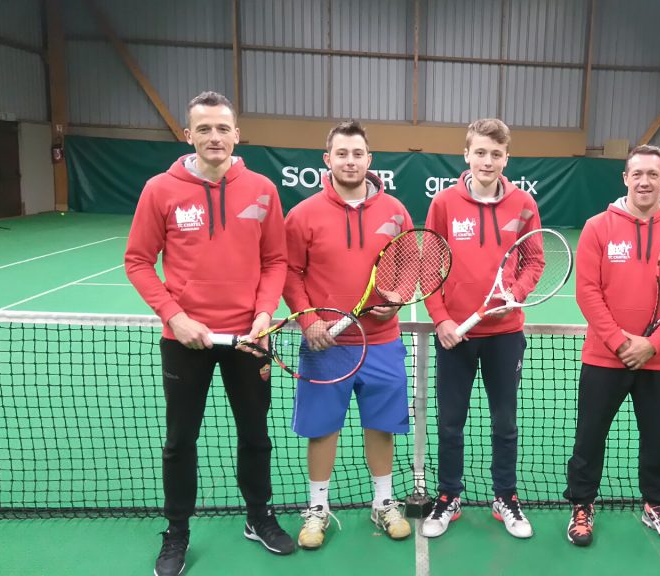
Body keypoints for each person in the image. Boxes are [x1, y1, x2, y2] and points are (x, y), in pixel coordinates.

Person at [124, 91, 294, 576]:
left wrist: (265, 312)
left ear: (237, 135)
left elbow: (275, 260)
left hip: (249, 338)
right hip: (185, 341)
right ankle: (177, 531)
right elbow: (138, 261)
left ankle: (258, 518)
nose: (214, 137)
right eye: (204, 128)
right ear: (188, 134)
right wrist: (175, 317)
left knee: (255, 435)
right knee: (180, 439)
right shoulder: (160, 189)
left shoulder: (262, 188)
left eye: (223, 128)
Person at [282, 120, 414, 550]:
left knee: (381, 426)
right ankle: (317, 508)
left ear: (369, 159)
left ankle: (383, 502)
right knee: (323, 429)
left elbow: (411, 263)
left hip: (382, 342)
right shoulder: (302, 215)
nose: (350, 161)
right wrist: (308, 321)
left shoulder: (395, 212)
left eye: (358, 154)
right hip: (327, 345)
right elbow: (290, 272)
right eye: (342, 154)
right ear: (328, 159)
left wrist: (397, 296)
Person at [563, 145, 660, 548]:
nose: (644, 181)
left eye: (652, 174)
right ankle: (582, 505)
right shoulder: (597, 227)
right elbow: (587, 292)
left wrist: (652, 344)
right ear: (625, 178)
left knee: (657, 438)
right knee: (589, 437)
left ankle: (657, 505)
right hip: (605, 357)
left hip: (659, 360)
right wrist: (620, 342)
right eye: (637, 173)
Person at [421, 118, 541, 539]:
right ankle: (448, 495)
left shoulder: (524, 204)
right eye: (480, 152)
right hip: (456, 336)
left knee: (505, 422)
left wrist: (517, 293)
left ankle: (505, 496)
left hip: (505, 336)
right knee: (450, 423)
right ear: (466, 154)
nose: (487, 161)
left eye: (496, 154)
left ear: (506, 158)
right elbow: (427, 265)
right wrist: (441, 319)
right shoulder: (444, 204)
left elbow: (535, 260)